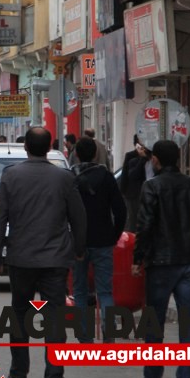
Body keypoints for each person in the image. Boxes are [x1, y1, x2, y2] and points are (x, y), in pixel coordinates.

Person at [0, 126, 86, 378]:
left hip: (21, 258)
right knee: (55, 319)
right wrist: (79, 249)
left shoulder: (11, 176)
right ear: (49, 147)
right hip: (55, 260)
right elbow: (78, 217)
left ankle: (18, 374)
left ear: (26, 147)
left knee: (19, 315)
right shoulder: (63, 178)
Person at [132, 140, 190, 378]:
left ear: (156, 160)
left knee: (155, 321)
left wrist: (138, 259)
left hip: (160, 264)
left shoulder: (152, 187)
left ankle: (153, 374)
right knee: (188, 322)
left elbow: (145, 226)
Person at [71, 136, 127, 342]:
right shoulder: (106, 177)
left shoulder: (71, 178)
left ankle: (83, 335)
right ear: (96, 153)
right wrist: (114, 234)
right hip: (103, 239)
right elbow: (120, 211)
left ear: (76, 154)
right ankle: (109, 332)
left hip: (78, 242)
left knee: (79, 290)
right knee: (105, 289)